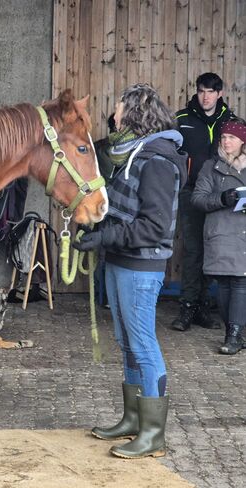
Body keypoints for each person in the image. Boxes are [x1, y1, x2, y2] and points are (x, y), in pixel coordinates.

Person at [74, 84, 187, 459]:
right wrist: (97, 229)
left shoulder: (156, 160)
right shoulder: (134, 154)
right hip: (121, 261)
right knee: (127, 345)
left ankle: (153, 432)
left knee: (143, 344)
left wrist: (106, 238)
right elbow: (125, 210)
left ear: (135, 113)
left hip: (140, 266)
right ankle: (133, 418)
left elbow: (154, 227)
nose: (114, 114)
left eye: (119, 107)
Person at [172, 73, 234, 331]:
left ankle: (203, 307)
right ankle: (187, 307)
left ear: (220, 94)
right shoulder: (181, 120)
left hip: (221, 197)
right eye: (201, 91)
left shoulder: (231, 122)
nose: (205, 96)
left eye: (210, 92)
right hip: (190, 192)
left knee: (214, 251)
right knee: (193, 250)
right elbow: (169, 153)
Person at [190, 120, 246, 355]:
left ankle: (233, 335)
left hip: (243, 234)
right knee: (224, 284)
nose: (226, 141)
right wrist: (223, 199)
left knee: (241, 283)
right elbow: (197, 199)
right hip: (221, 232)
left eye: (231, 138)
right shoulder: (210, 167)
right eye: (223, 137)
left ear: (242, 141)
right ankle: (234, 331)